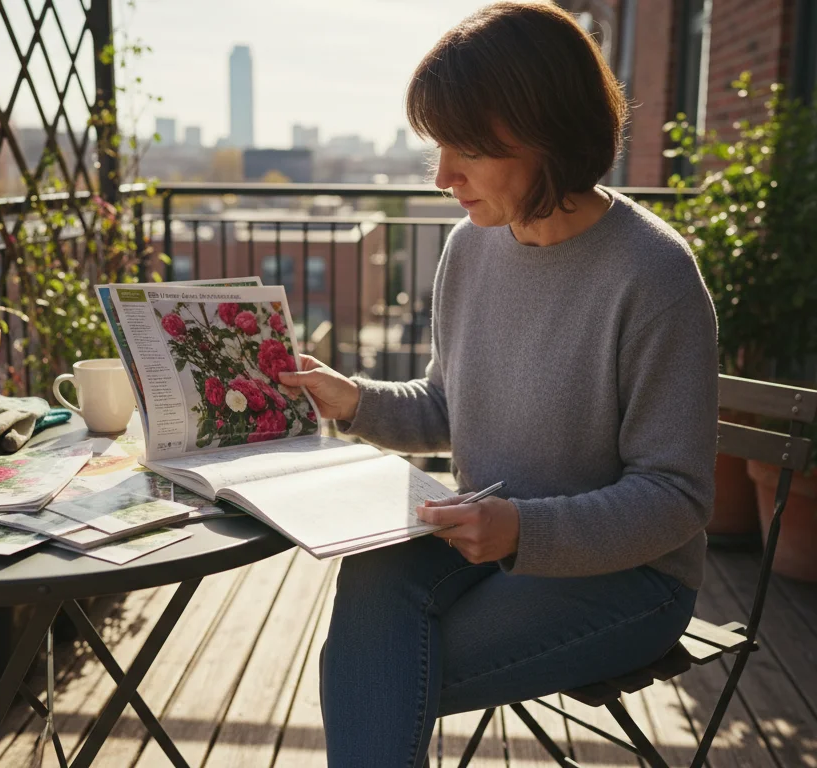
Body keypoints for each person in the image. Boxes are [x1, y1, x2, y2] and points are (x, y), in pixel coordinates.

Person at [277, 3, 719, 765]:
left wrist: (526, 530)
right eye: (438, 147)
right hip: (478, 537)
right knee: (374, 579)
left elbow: (676, 498)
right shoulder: (469, 247)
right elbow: (450, 408)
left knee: (379, 673)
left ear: (550, 134)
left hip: (629, 578)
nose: (443, 176)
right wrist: (351, 399)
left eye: (468, 150)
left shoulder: (654, 275)